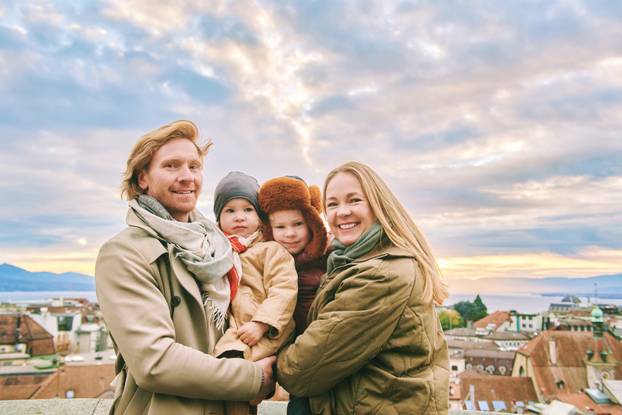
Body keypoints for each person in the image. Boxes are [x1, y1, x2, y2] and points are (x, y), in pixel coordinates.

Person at [95, 121, 275, 415]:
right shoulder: (124, 253)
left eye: (194, 166)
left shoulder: (218, 247)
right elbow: (155, 363)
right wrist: (256, 378)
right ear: (143, 178)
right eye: (171, 166)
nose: (187, 177)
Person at [277, 161, 450, 415]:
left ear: (377, 205)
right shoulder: (352, 262)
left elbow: (301, 371)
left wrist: (269, 358)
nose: (342, 212)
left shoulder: (381, 276)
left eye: (354, 200)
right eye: (333, 204)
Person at [212, 172, 298, 415]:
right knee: (225, 378)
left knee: (238, 376)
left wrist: (261, 323)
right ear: (218, 219)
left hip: (265, 331)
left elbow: (283, 290)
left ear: (260, 217)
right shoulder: (219, 255)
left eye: (248, 209)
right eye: (230, 210)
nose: (239, 216)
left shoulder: (270, 250)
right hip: (236, 331)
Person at [258, 176, 329, 415]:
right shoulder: (268, 262)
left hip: (323, 353)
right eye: (280, 227)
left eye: (298, 224)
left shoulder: (328, 258)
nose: (290, 234)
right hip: (292, 361)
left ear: (312, 222)